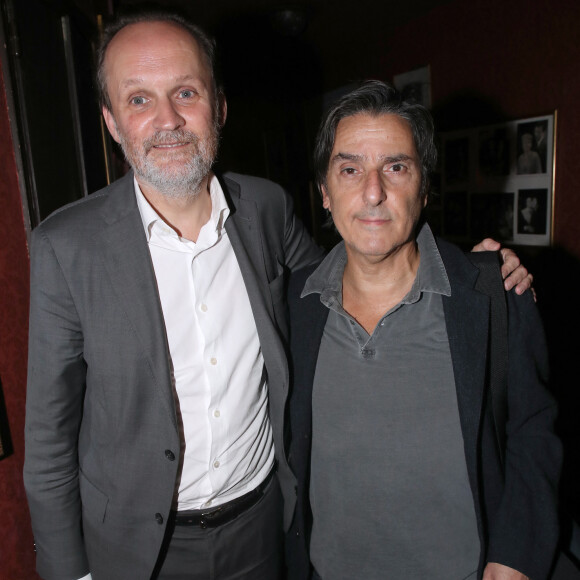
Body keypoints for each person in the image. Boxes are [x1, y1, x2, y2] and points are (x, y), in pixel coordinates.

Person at [23, 9, 531, 580]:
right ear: (112, 121)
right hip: (137, 550)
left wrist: (475, 271)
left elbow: (358, 264)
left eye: (185, 92)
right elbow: (48, 449)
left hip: (263, 530)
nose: (167, 119)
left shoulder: (265, 209)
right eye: (139, 99)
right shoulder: (65, 246)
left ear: (218, 107)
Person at [286, 81, 560, 580]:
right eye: (350, 169)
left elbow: (533, 430)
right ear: (324, 193)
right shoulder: (290, 306)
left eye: (396, 167)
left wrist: (516, 554)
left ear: (425, 187)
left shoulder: (493, 294)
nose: (373, 192)